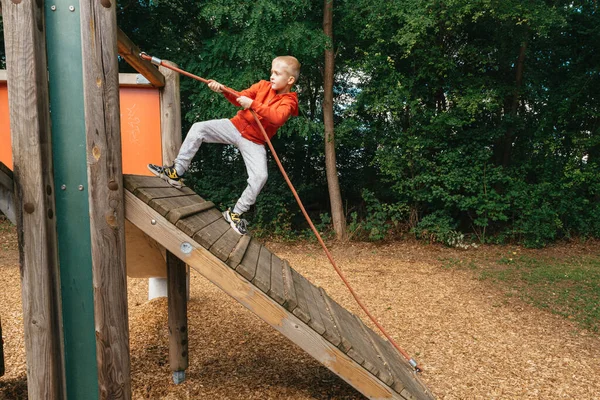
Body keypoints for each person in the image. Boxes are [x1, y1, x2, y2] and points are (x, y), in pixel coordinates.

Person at [148, 56, 300, 235]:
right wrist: (223, 90)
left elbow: (277, 117)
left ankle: (235, 213)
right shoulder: (262, 85)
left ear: (290, 80)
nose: (272, 76)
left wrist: (253, 104)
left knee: (260, 176)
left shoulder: (289, 101)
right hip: (234, 126)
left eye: (277, 73)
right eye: (271, 72)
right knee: (199, 128)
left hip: (254, 141)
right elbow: (239, 97)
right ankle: (176, 172)